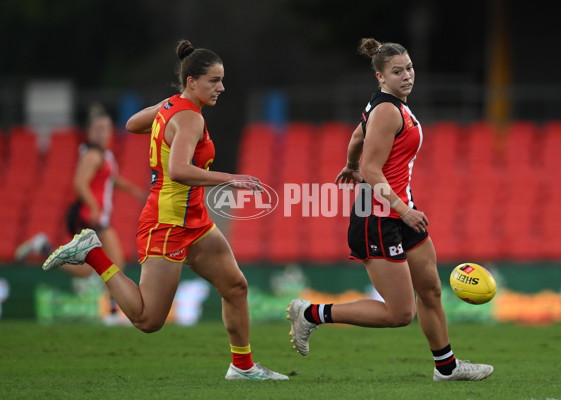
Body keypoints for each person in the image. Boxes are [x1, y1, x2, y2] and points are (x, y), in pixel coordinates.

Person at [42, 40, 287, 381]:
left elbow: (130, 125)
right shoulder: (189, 118)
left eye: (222, 79)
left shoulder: (176, 106)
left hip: (195, 221)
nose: (222, 87)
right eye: (214, 80)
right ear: (192, 82)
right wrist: (231, 178)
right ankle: (93, 253)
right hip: (167, 223)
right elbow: (179, 170)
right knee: (148, 320)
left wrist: (165, 106)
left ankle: (242, 367)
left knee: (236, 288)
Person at [287, 38, 493, 382]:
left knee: (430, 289)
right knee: (400, 313)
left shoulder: (391, 105)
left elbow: (357, 137)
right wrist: (398, 204)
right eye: (397, 72)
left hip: (400, 211)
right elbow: (372, 169)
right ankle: (311, 313)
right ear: (381, 77)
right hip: (379, 217)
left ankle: (447, 368)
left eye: (409, 68)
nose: (407, 76)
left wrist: (350, 163)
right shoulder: (386, 110)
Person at [16, 106, 147, 324]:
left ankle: (45, 247)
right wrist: (94, 207)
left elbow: (111, 178)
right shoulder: (94, 155)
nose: (103, 133)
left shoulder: (104, 155)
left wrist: (131, 190)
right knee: (114, 264)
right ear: (90, 132)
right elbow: (79, 183)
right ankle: (113, 313)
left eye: (106, 129)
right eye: (98, 129)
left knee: (92, 270)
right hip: (90, 217)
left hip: (98, 218)